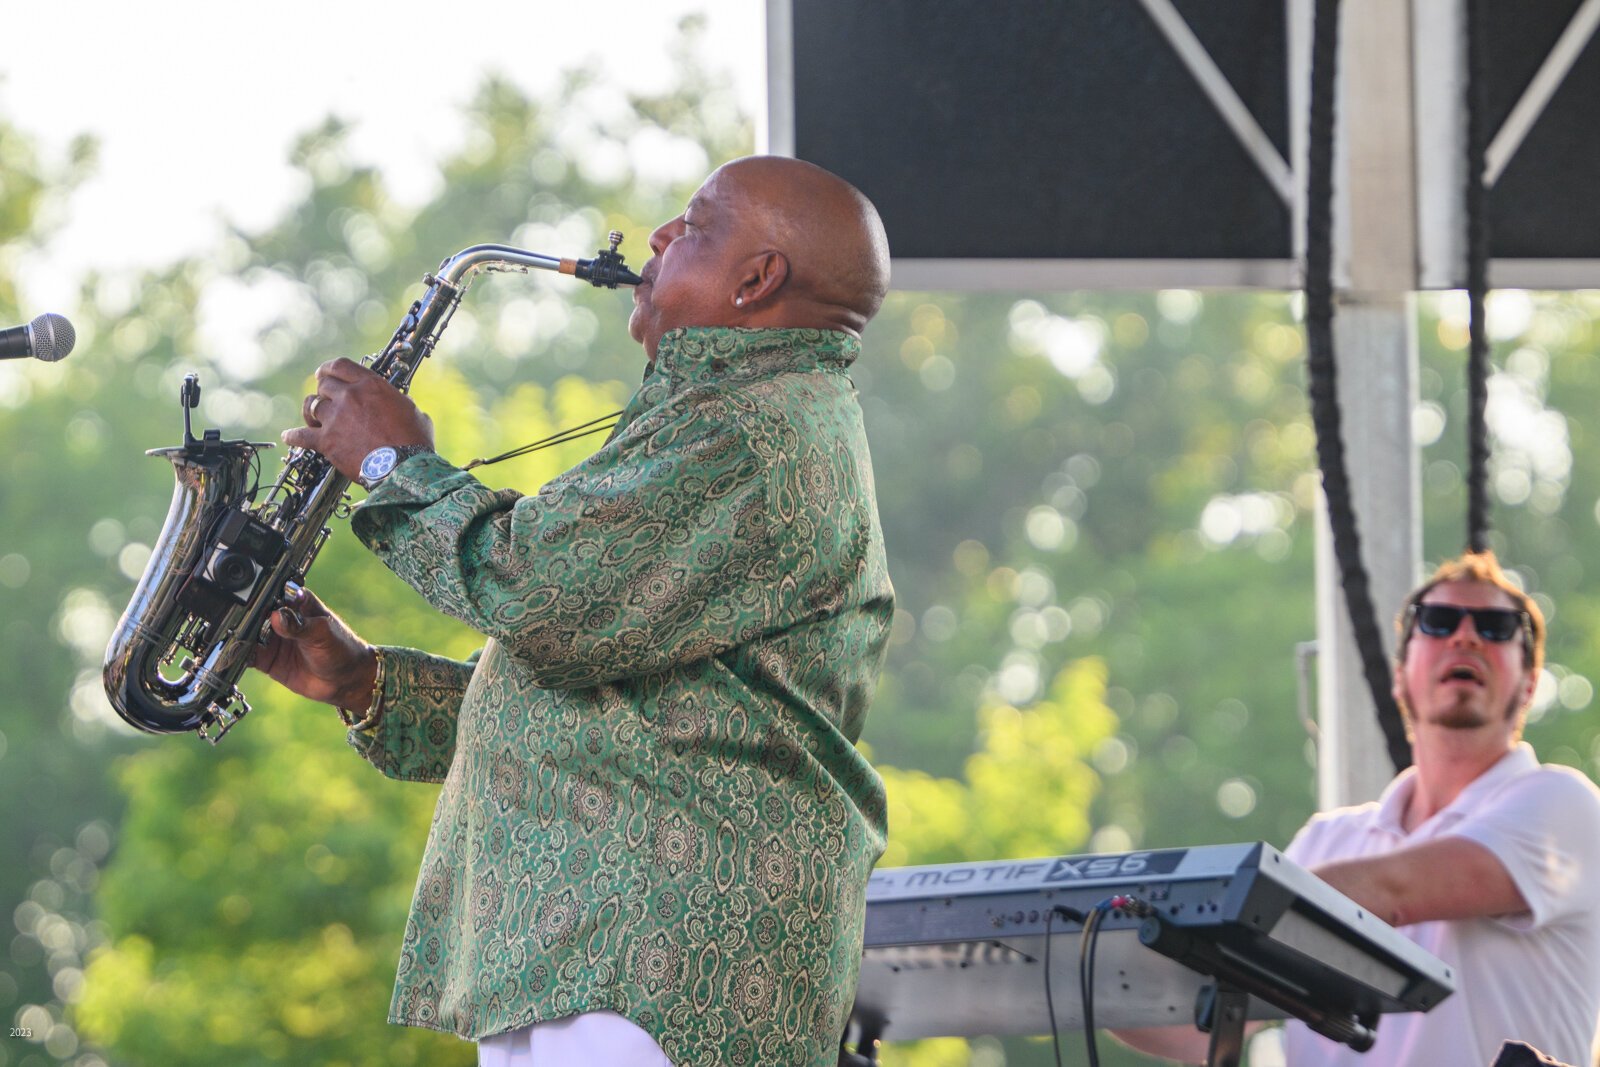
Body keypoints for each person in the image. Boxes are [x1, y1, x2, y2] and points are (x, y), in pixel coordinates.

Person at [253, 155, 895, 1067]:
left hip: (651, 968)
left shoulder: (748, 426)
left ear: (757, 281)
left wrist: (395, 466)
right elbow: (607, 712)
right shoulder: (744, 411)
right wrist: (364, 681)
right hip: (613, 964)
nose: (661, 237)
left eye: (695, 226)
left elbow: (537, 594)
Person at [1118, 550, 1600, 1065]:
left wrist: (1192, 909)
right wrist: (1082, 965)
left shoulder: (1565, 806)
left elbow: (1394, 893)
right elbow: (1193, 1029)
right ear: (1399, 677)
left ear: (1529, 683)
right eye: (1437, 623)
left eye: (1496, 626)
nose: (1465, 637)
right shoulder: (1327, 841)